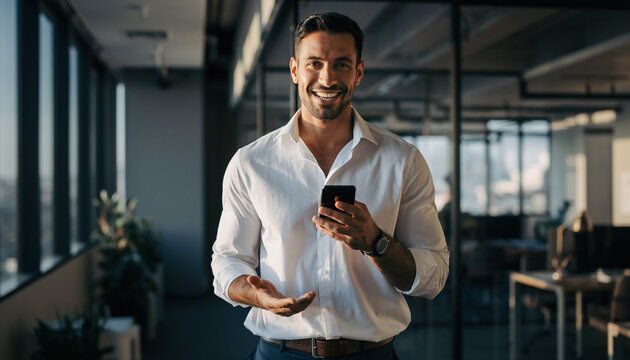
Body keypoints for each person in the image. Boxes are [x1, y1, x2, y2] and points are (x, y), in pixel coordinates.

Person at [211, 12, 449, 360]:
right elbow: (228, 260)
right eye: (315, 63)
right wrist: (256, 295)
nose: (327, 78)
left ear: (359, 72)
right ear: (295, 70)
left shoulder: (403, 161)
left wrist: (377, 243)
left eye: (341, 65)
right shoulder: (251, 163)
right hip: (280, 352)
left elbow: (434, 274)